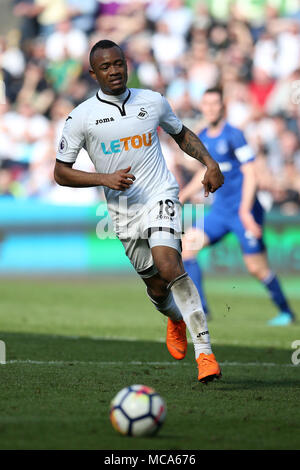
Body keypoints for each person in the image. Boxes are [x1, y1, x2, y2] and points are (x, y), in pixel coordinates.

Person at [54, 40, 224, 383]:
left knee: (169, 263)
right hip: (123, 212)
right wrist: (104, 179)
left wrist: (209, 162)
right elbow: (60, 172)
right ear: (93, 73)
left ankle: (205, 353)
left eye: (118, 63)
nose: (114, 70)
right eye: (105, 67)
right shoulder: (81, 117)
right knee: (157, 287)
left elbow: (181, 133)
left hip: (160, 194)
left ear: (126, 65)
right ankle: (175, 319)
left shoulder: (152, 101)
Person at [180, 87, 296, 326]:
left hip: (245, 210)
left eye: (215, 104)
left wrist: (245, 211)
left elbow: (250, 172)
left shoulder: (235, 135)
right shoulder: (204, 136)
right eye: (207, 104)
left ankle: (286, 312)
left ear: (223, 107)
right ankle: (201, 309)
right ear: (202, 107)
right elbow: (205, 171)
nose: (211, 108)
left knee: (257, 268)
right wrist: (182, 196)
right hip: (221, 211)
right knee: (188, 247)